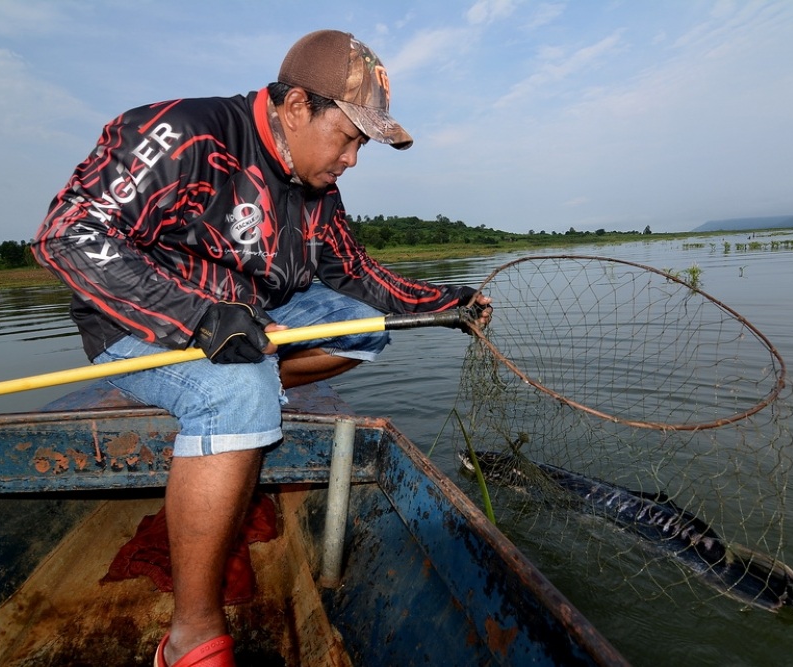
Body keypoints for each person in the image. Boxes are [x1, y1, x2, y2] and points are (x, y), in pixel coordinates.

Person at [32, 29, 491, 667]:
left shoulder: (317, 192)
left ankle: (241, 403)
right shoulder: (184, 134)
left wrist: (444, 304)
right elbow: (68, 233)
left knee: (365, 327)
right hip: (140, 321)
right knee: (238, 387)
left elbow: (360, 278)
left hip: (251, 316)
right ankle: (190, 635)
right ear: (297, 107)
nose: (353, 159)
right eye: (350, 138)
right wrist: (196, 318)